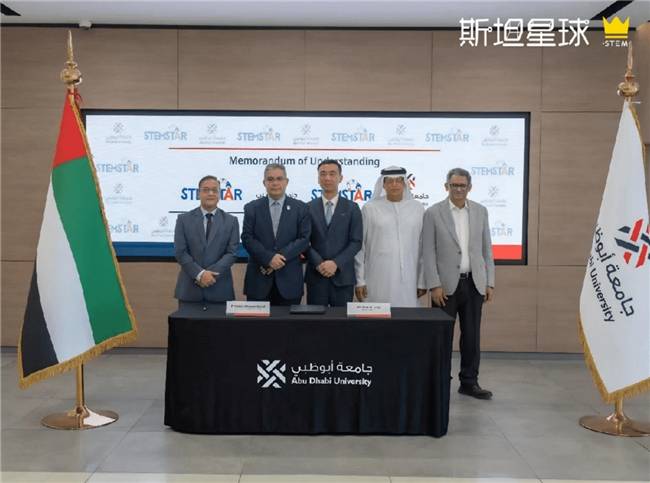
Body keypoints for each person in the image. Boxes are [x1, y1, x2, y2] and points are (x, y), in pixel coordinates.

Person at [422, 167, 495, 400]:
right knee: (441, 337)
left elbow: (487, 249)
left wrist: (490, 282)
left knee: (472, 336)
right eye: (454, 185)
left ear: (469, 187)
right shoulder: (433, 213)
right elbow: (428, 252)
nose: (458, 189)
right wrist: (434, 284)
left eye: (463, 185)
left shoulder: (481, 211)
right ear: (446, 187)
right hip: (444, 287)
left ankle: (469, 382)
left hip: (474, 284)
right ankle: (440, 381)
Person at [354, 166, 426, 307]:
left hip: (410, 278)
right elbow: (360, 247)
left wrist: (422, 281)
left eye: (399, 180)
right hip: (377, 276)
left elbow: (423, 246)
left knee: (407, 316)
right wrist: (360, 280)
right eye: (390, 181)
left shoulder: (417, 208)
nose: (394, 184)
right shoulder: (370, 208)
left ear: (405, 183)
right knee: (378, 315)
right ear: (383, 184)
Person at [242, 163, 310, 305]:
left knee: (288, 321)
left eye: (279, 179)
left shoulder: (301, 208)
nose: (275, 183)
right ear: (264, 182)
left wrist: (278, 258)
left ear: (286, 181)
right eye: (270, 179)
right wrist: (268, 258)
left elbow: (304, 239)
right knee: (255, 321)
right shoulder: (251, 208)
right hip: (258, 280)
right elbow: (247, 238)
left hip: (289, 282)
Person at [173, 175, 239, 305]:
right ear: (198, 193)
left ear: (219, 194)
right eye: (206, 190)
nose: (210, 193)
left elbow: (232, 253)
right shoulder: (183, 219)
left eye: (214, 190)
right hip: (189, 290)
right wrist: (200, 274)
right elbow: (180, 252)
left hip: (220, 289)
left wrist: (209, 275)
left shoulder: (231, 221)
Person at [306, 159, 363, 306]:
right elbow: (304, 241)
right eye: (323, 174)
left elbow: (356, 242)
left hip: (343, 276)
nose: (327, 178)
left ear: (340, 178)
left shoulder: (352, 208)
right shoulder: (307, 208)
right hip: (316, 276)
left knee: (341, 319)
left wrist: (336, 263)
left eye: (332, 174)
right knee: (315, 319)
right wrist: (319, 263)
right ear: (318, 178)